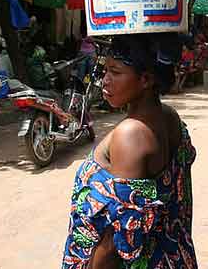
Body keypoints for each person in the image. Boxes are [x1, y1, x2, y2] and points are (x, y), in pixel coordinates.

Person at [62, 34, 197, 269]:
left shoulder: (130, 135)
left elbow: (116, 241)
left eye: (115, 72)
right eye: (105, 71)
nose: (105, 81)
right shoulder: (169, 118)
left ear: (145, 79)